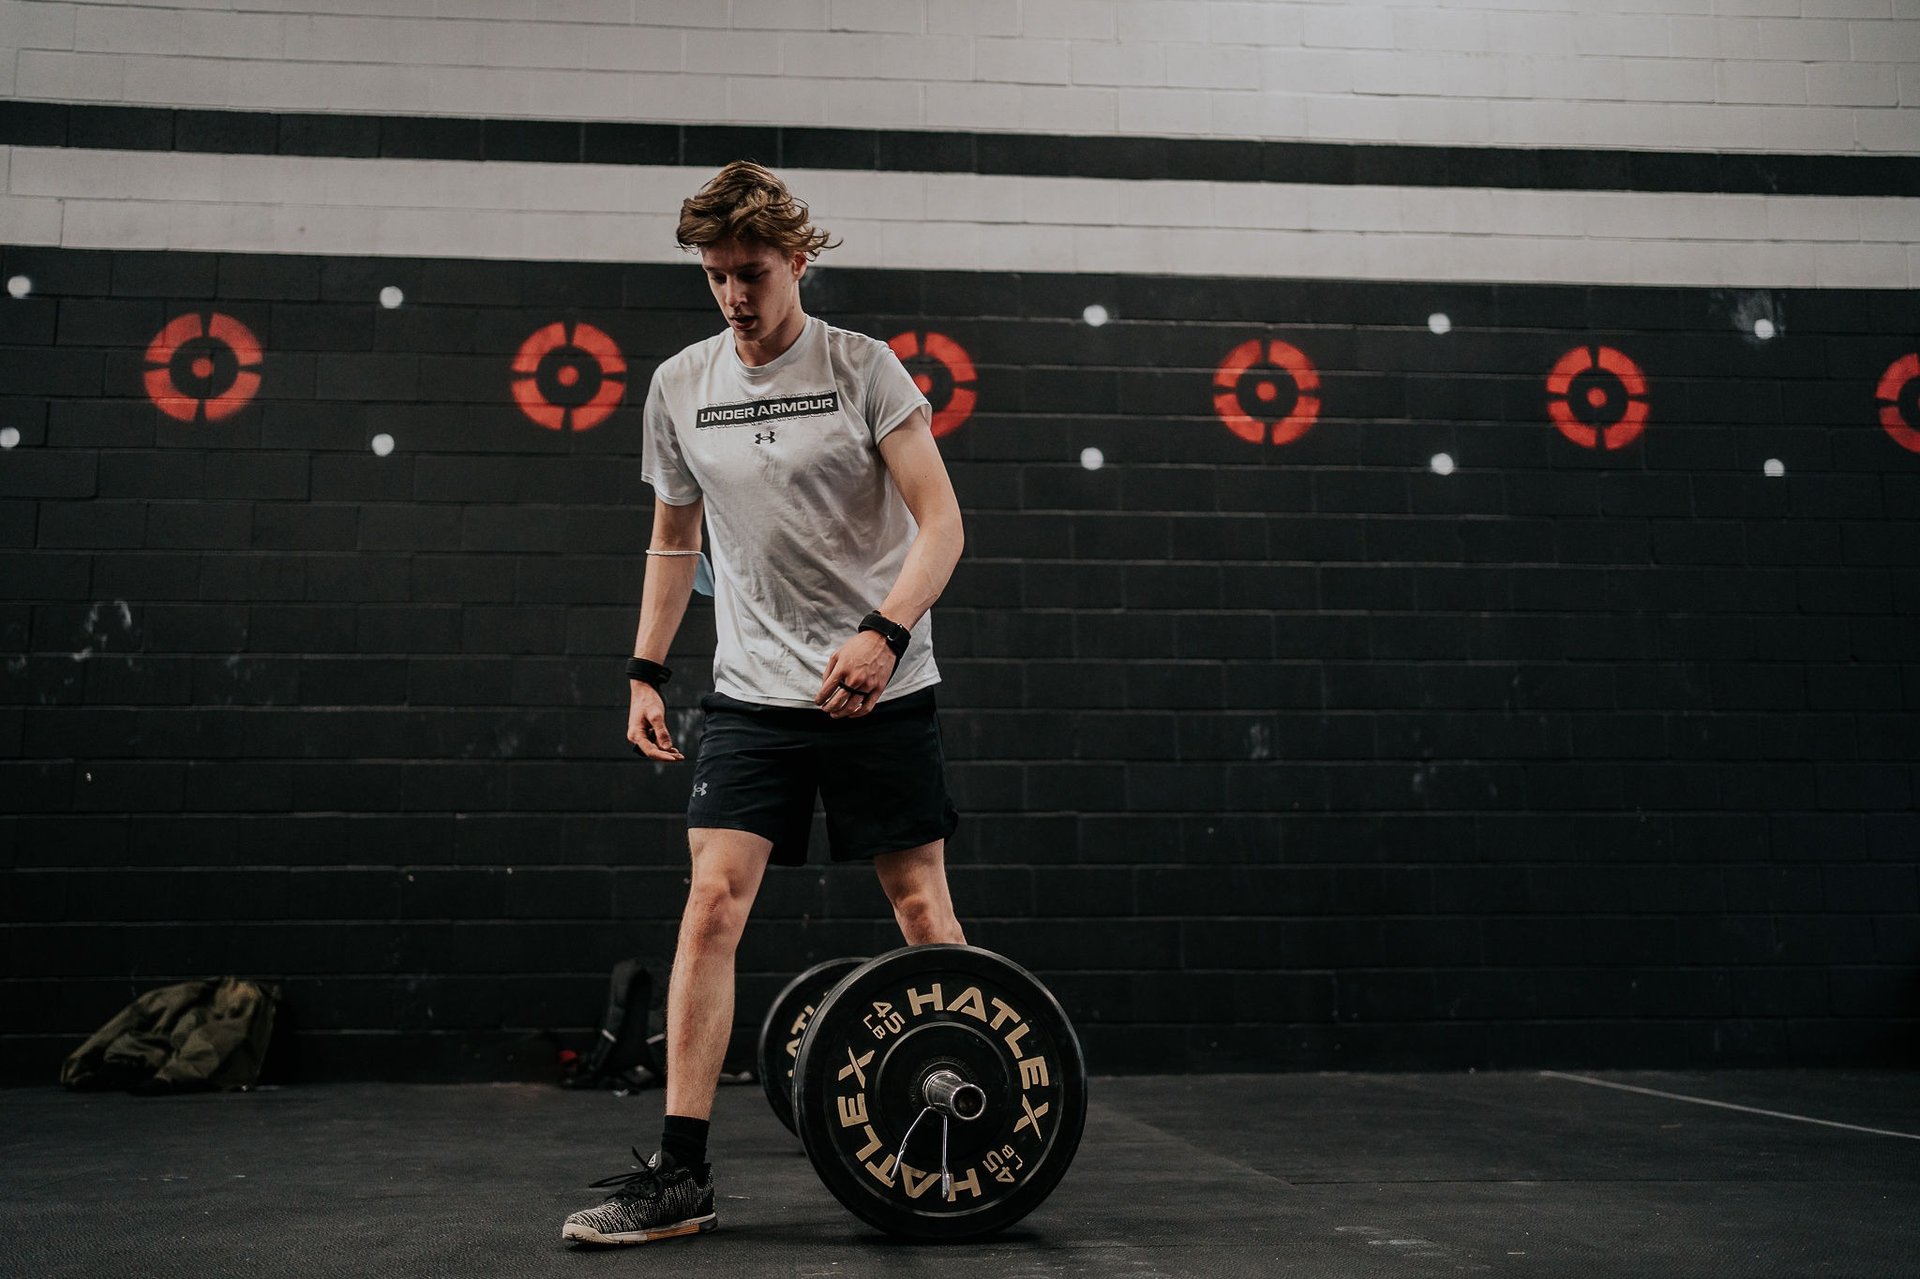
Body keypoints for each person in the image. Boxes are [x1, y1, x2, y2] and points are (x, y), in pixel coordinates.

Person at [561, 161, 968, 1246]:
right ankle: (681, 1174)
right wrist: (645, 668)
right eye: (716, 276)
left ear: (798, 261)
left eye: (752, 272)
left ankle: (972, 1127)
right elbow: (673, 537)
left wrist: (884, 635)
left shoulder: (863, 369)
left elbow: (942, 525)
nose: (735, 295)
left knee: (922, 913)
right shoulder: (679, 385)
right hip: (751, 697)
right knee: (711, 904)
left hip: (881, 685)